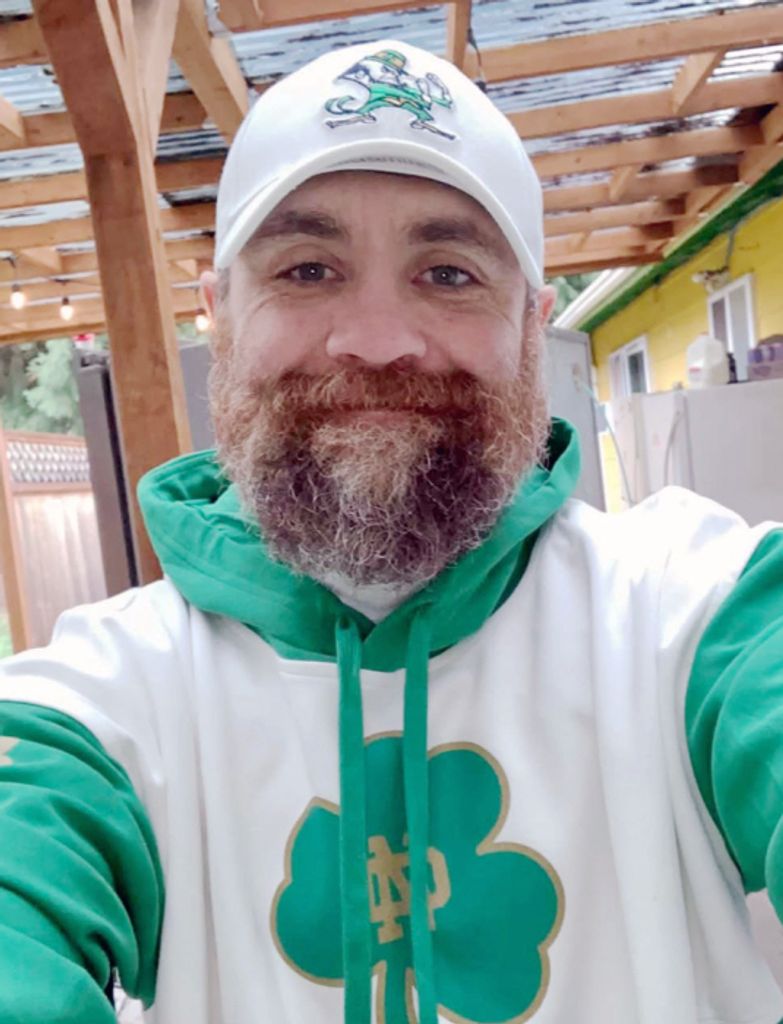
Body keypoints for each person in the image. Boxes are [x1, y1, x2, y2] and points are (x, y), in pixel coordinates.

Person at [0, 37, 781, 1024]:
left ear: (531, 326)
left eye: (448, 273)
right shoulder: (99, 705)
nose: (375, 341)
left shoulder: (695, 613)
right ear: (219, 317)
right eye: (308, 268)